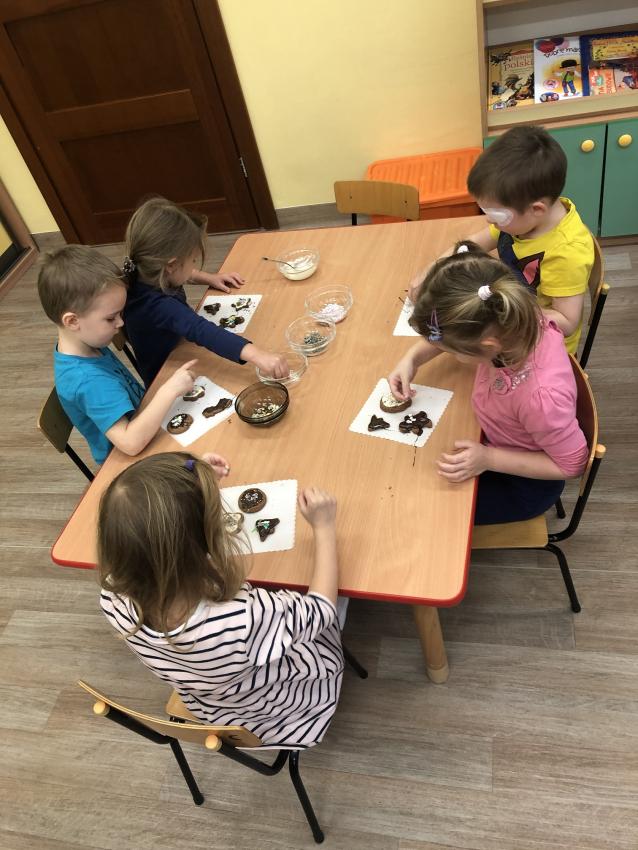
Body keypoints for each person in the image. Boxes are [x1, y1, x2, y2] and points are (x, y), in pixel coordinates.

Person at [98, 451, 343, 747]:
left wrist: (194, 491)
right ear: (203, 538)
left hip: (215, 708)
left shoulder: (111, 597)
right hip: (286, 712)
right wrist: (324, 527)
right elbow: (321, 611)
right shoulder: (240, 618)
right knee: (337, 603)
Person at [392, 242, 589, 525]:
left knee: (425, 512)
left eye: (454, 350)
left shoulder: (541, 400)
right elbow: (455, 332)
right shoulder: (512, 317)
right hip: (494, 440)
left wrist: (489, 459)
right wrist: (412, 359)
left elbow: (573, 464)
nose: (449, 352)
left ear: (488, 346)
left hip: (523, 484)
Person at [408, 126, 593, 355]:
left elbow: (566, 322)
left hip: (540, 346)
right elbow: (471, 245)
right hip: (507, 317)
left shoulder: (567, 252)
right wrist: (431, 270)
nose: (489, 221)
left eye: (496, 215)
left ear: (537, 209)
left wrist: (503, 312)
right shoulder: (523, 219)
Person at [38, 245, 198, 465]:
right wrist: (169, 390)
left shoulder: (85, 343)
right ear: (72, 321)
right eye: (111, 318)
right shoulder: (87, 381)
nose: (121, 323)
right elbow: (130, 443)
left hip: (145, 428)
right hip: (131, 463)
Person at [122, 197, 289, 386]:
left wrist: (207, 277)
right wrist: (257, 355)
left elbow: (181, 273)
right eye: (193, 260)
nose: (194, 265)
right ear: (171, 265)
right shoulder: (157, 306)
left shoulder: (147, 270)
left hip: (182, 349)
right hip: (167, 377)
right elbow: (201, 330)